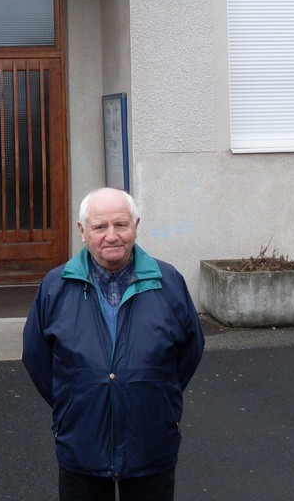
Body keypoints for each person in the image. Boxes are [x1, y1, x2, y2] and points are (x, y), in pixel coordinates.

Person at [22, 187, 204, 501]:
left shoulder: (169, 281)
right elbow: (37, 357)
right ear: (82, 231)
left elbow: (189, 351)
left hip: (150, 440)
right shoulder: (56, 286)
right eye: (99, 227)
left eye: (121, 224)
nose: (112, 236)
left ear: (136, 225)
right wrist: (74, 398)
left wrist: (153, 391)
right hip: (82, 441)